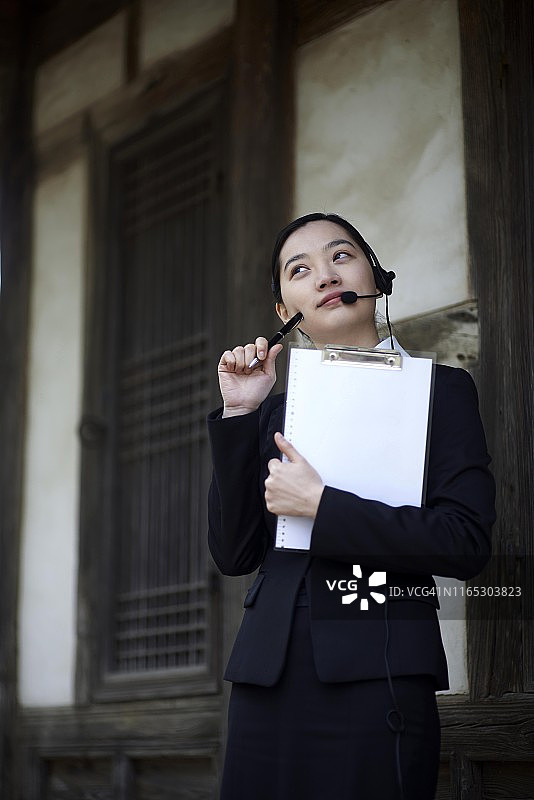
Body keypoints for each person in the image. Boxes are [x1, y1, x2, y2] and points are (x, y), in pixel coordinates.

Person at [207, 212, 496, 800]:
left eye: (341, 256)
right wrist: (240, 412)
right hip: (269, 675)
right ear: (284, 308)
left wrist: (323, 505)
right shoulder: (270, 409)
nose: (324, 275)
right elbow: (234, 553)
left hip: (378, 672)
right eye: (300, 269)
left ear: (375, 275)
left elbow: (466, 542)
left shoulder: (442, 391)